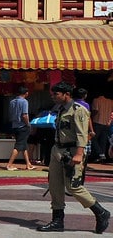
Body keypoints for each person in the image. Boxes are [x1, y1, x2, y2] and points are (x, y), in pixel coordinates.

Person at [37, 81, 110, 233]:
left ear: (67, 94)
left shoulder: (78, 110)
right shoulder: (61, 109)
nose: (53, 97)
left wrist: (78, 153)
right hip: (57, 151)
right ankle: (57, 220)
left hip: (71, 152)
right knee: (55, 186)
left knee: (74, 187)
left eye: (56, 94)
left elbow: (82, 134)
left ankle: (101, 212)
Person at [6, 86, 36, 171]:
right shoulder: (24, 102)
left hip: (14, 125)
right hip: (22, 126)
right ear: (26, 93)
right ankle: (9, 164)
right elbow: (24, 115)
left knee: (23, 145)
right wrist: (28, 124)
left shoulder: (12, 102)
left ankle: (28, 164)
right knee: (19, 145)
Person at [91, 90, 113, 163]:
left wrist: (91, 117)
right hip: (106, 123)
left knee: (93, 138)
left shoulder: (96, 100)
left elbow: (95, 110)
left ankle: (100, 153)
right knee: (103, 141)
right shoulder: (111, 101)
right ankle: (102, 157)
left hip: (98, 122)